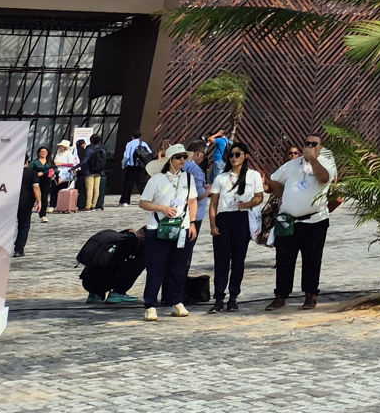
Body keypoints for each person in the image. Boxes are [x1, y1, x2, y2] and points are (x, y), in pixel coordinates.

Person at [266, 132, 337, 311]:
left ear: (320, 148)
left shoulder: (327, 162)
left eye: (315, 144)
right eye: (307, 143)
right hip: (288, 220)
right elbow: (273, 179)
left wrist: (313, 160)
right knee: (284, 260)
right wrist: (281, 195)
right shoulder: (291, 165)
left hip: (314, 221)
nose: (310, 146)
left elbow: (324, 178)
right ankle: (281, 296)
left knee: (311, 260)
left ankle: (310, 295)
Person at [136, 143, 199, 321]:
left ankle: (176, 301)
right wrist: (161, 208)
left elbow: (192, 201)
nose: (182, 160)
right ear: (170, 160)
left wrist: (192, 223)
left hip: (181, 227)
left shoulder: (188, 178)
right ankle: (150, 304)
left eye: (184, 157)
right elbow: (143, 202)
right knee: (156, 267)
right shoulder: (157, 179)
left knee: (178, 267)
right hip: (158, 228)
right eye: (178, 157)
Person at [208, 144, 265, 313]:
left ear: (245, 156)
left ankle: (233, 296)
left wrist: (246, 204)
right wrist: (213, 224)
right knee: (221, 260)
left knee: (238, 260)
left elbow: (259, 197)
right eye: (231, 155)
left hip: (242, 217)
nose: (234, 157)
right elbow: (214, 204)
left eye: (237, 154)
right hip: (224, 218)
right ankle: (219, 297)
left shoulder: (253, 175)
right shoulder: (221, 178)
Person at [15, 154, 42, 258]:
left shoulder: (10, 172)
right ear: (27, 161)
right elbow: (36, 187)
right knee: (24, 226)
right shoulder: (32, 173)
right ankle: (19, 249)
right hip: (26, 202)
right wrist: (39, 201)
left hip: (10, 202)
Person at [118, 133, 151, 207]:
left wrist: (123, 165)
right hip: (141, 167)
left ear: (132, 136)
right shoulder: (144, 143)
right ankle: (147, 199)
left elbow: (126, 156)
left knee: (128, 184)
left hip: (132, 167)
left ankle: (125, 201)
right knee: (142, 184)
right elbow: (149, 153)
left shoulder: (129, 144)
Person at [81, 137, 109, 210]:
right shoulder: (103, 147)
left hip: (90, 171)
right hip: (99, 171)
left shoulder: (89, 147)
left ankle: (88, 206)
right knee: (97, 189)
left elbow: (85, 160)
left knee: (89, 189)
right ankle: (94, 205)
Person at [31, 147, 57, 222]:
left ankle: (43, 215)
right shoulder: (34, 162)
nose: (44, 153)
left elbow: (55, 169)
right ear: (39, 153)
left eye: (45, 151)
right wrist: (36, 174)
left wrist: (51, 172)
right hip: (36, 180)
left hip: (46, 181)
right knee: (33, 197)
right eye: (42, 151)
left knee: (44, 198)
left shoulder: (50, 162)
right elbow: (30, 170)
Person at [54, 140, 79, 210]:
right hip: (58, 172)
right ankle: (54, 203)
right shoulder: (58, 153)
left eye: (61, 146)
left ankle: (62, 204)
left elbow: (71, 164)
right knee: (55, 188)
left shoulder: (68, 154)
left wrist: (61, 164)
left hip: (65, 173)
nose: (60, 147)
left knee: (62, 188)